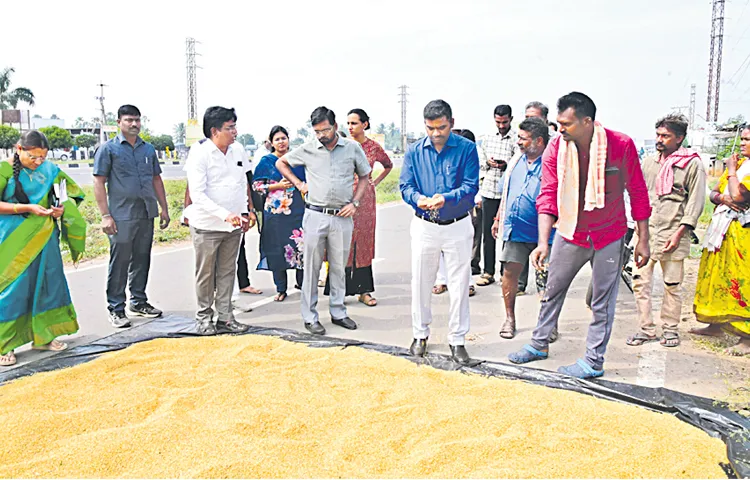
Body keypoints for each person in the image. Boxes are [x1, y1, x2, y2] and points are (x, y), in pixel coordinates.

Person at [507, 92, 652, 379]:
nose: (560, 129)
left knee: (602, 300)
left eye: (566, 124)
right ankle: (539, 344)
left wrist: (643, 239)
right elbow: (547, 196)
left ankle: (594, 361)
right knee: (552, 291)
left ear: (587, 121)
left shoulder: (620, 145)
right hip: (570, 232)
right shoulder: (556, 149)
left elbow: (637, 191)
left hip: (609, 234)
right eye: (558, 123)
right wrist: (542, 243)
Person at [276, 107, 371, 335]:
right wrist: (299, 185)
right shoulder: (308, 149)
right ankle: (310, 316)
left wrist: (355, 203)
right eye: (317, 131)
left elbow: (365, 175)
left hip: (342, 216)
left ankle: (338, 312)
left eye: (325, 130)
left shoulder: (352, 148)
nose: (321, 135)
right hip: (315, 215)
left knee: (338, 267)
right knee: (312, 268)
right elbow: (281, 163)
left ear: (335, 126)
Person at [400, 100, 480, 365]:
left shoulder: (467, 149)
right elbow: (405, 186)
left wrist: (445, 198)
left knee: (459, 284)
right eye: (431, 128)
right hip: (424, 224)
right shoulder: (414, 151)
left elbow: (470, 186)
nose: (436, 133)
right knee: (421, 281)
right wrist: (417, 199)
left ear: (452, 123)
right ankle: (419, 334)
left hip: (457, 224)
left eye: (441, 127)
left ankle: (457, 339)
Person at [0, 130, 87, 366]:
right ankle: (5, 344)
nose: (38, 162)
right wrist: (26, 208)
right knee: (13, 291)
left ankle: (44, 336)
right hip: (12, 241)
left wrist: (60, 209)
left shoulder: (49, 170)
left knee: (48, 285)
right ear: (19, 149)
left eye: (43, 157)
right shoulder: (4, 170)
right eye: (33, 157)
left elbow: (68, 195)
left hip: (46, 238)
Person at [627, 114, 706, 348]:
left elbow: (696, 202)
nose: (660, 140)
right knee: (640, 281)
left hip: (674, 232)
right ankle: (646, 329)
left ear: (680, 138)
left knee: (672, 285)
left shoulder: (692, 164)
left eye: (666, 136)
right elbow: (640, 196)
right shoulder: (649, 163)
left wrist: (681, 232)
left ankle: (670, 329)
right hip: (647, 233)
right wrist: (638, 232)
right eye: (658, 135)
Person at [93, 105, 169, 328]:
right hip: (121, 215)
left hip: (146, 212)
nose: (134, 124)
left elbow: (156, 179)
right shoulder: (108, 149)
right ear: (119, 122)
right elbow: (98, 182)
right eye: (129, 120)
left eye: (137, 120)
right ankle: (116, 308)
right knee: (120, 261)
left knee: (142, 258)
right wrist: (105, 215)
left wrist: (163, 207)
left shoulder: (148, 150)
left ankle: (138, 301)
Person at [183, 106, 257, 335]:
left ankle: (225, 317)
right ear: (215, 131)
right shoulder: (199, 153)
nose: (235, 131)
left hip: (234, 226)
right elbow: (197, 194)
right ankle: (204, 317)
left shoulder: (238, 150)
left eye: (235, 126)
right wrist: (224, 214)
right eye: (230, 127)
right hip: (207, 226)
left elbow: (242, 183)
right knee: (206, 274)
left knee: (227, 271)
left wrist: (247, 211)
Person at [690, 126, 750, 356]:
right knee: (715, 275)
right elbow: (714, 194)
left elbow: (739, 196)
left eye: (747, 140)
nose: (742, 143)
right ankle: (715, 324)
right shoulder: (741, 165)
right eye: (742, 139)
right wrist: (723, 197)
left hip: (743, 235)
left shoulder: (738, 168)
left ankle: (746, 336)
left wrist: (732, 171)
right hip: (722, 230)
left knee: (740, 281)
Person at [323, 109, 392, 307]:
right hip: (342, 197)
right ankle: (338, 291)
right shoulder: (342, 146)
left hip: (365, 201)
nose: (351, 127)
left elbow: (387, 165)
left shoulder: (372, 147)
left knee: (363, 242)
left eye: (354, 123)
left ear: (365, 124)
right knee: (341, 240)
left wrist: (374, 182)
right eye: (348, 123)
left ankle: (364, 291)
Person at [491, 117, 552, 339]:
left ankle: (548, 323)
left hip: (545, 233)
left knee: (547, 279)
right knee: (509, 273)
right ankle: (509, 318)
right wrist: (498, 218)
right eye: (518, 137)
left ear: (539, 141)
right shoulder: (515, 161)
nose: (518, 142)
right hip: (515, 229)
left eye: (523, 139)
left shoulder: (551, 163)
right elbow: (506, 192)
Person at [252, 126, 305, 301]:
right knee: (277, 250)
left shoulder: (297, 159)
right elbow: (257, 186)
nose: (281, 142)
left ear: (288, 139)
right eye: (277, 139)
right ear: (271, 143)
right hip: (275, 215)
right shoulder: (266, 161)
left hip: (298, 212)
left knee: (301, 248)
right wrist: (277, 186)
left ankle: (303, 285)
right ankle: (281, 289)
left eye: (284, 138)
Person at [434, 128, 482, 297]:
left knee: (462, 246)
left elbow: (474, 183)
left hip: (461, 208)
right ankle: (441, 280)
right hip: (438, 208)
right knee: (438, 247)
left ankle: (467, 282)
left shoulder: (470, 156)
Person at [476, 105, 515, 288]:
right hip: (489, 190)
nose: (501, 125)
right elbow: (480, 161)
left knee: (506, 235)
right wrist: (488, 163)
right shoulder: (486, 138)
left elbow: (518, 163)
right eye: (498, 122)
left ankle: (504, 273)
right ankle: (488, 271)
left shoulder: (515, 139)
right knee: (487, 234)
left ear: (511, 119)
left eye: (504, 122)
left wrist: (505, 165)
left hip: (507, 192)